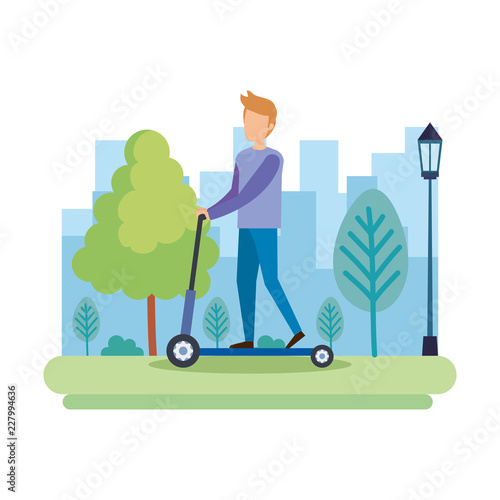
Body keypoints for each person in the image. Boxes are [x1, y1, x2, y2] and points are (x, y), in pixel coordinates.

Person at [196, 91, 305, 348]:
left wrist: (212, 214)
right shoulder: (242, 157)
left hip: (265, 227)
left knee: (270, 279)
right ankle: (248, 340)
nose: (250, 126)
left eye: (257, 121)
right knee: (243, 280)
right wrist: (208, 210)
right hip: (245, 226)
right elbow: (234, 192)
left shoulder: (273, 159)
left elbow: (248, 195)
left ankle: (296, 329)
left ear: (269, 126)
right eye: (247, 120)